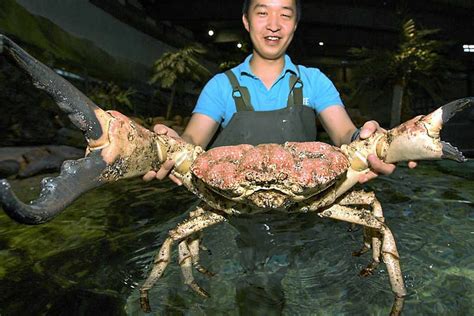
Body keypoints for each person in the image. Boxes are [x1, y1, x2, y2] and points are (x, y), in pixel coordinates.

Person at [143, 0, 415, 184]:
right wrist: (172, 144)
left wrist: (376, 142)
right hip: (232, 217)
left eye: (285, 14)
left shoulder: (314, 81)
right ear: (246, 22)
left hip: (301, 214)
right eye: (262, 13)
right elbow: (192, 140)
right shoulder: (220, 86)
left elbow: (346, 135)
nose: (274, 24)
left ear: (295, 24)